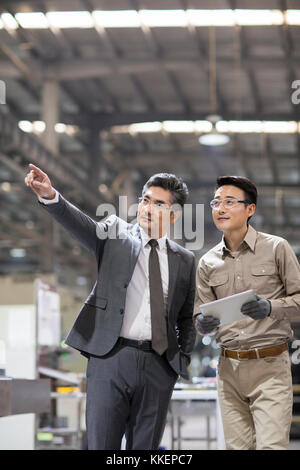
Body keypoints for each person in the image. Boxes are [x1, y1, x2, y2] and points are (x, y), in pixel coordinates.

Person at [25, 163, 196, 450]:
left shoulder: (185, 259)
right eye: (145, 200)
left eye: (158, 204)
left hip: (159, 366)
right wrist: (52, 196)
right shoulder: (115, 232)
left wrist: (179, 363)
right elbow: (82, 226)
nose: (147, 208)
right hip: (110, 359)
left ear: (174, 215)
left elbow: (186, 318)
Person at [194, 175, 300, 450]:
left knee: (271, 447)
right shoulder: (207, 262)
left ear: (250, 209)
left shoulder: (277, 248)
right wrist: (201, 324)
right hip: (229, 368)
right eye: (216, 202)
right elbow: (199, 314)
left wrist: (270, 307)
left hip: (270, 366)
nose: (220, 208)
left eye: (229, 202)